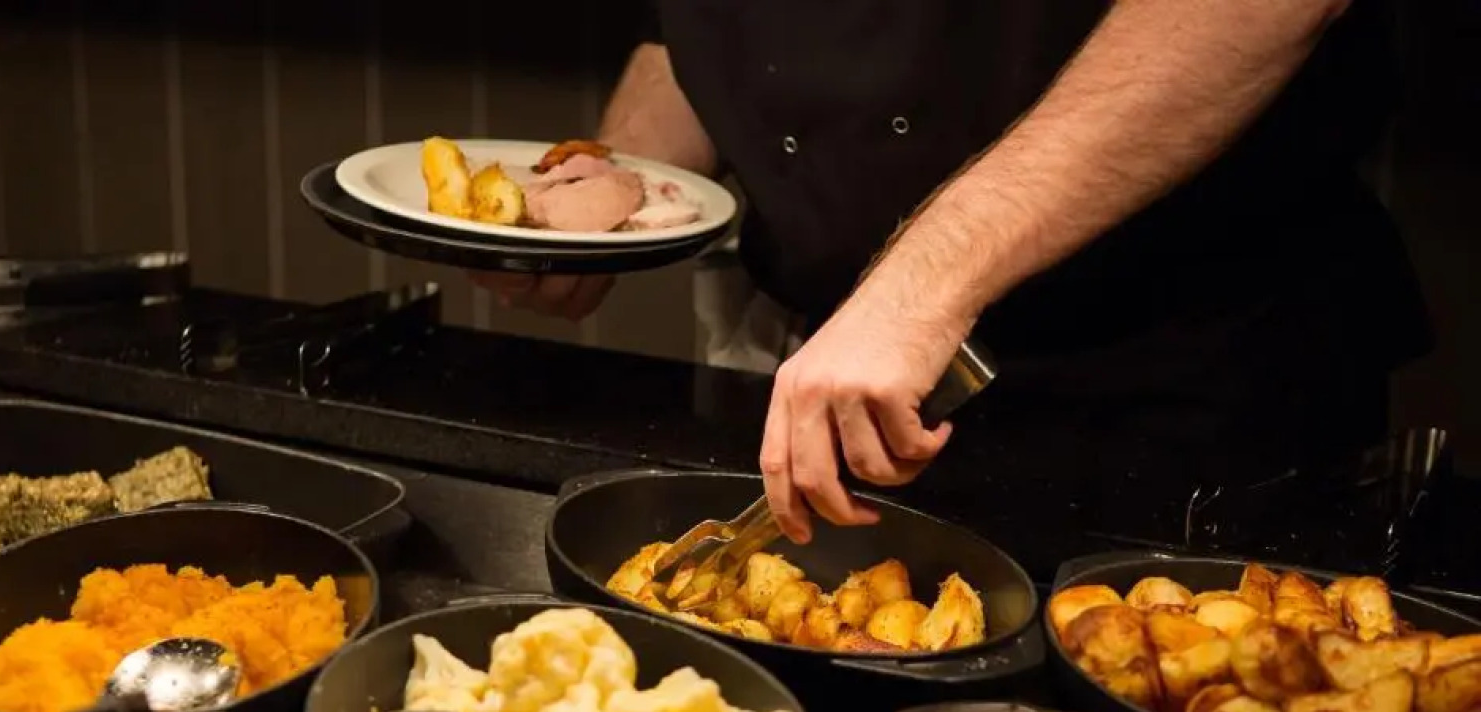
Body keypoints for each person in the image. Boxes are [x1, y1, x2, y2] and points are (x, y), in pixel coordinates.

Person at [473, 1, 1429, 544]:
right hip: (858, 394)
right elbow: (716, 32)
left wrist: (918, 284)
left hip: (1172, 390)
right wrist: (613, 193)